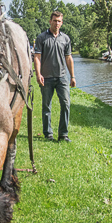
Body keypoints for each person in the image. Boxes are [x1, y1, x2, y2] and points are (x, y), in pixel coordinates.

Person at [33, 11, 76, 142]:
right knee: (46, 105)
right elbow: (37, 57)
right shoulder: (41, 38)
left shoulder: (66, 38)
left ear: (61, 23)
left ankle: (63, 134)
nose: (56, 23)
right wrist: (38, 74)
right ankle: (48, 133)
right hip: (46, 77)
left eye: (59, 21)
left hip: (62, 77)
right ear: (50, 21)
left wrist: (72, 76)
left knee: (66, 104)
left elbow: (69, 58)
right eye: (54, 20)